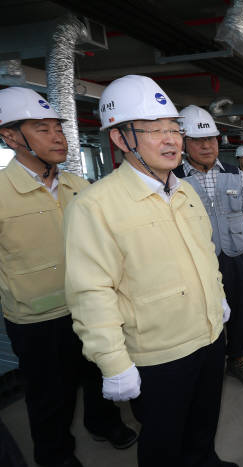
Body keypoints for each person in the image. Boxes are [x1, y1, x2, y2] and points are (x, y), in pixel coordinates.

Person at [63, 75, 238, 467]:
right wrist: (113, 363)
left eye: (174, 129)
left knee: (203, 425)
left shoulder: (186, 190)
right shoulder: (95, 207)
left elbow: (205, 255)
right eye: (155, 130)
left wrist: (219, 298)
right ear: (121, 138)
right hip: (159, 356)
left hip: (210, 338)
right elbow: (90, 293)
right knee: (163, 442)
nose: (172, 139)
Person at [0, 87, 135, 467]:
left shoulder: (79, 186)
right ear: (10, 137)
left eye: (57, 128)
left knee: (97, 374)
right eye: (42, 129)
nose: (58, 136)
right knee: (48, 396)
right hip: (37, 320)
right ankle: (55, 454)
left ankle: (102, 422)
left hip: (89, 308)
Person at [174, 105, 243, 387]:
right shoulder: (174, 179)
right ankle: (209, 364)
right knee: (202, 315)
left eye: (211, 139)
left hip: (235, 257)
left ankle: (237, 358)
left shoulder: (235, 174)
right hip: (197, 264)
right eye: (198, 140)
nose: (207, 145)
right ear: (184, 143)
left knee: (238, 310)